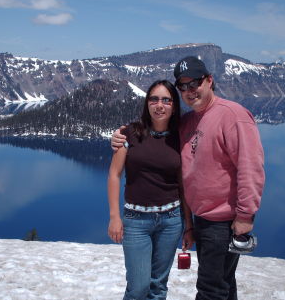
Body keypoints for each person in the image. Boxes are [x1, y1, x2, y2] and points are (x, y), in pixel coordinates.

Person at [111, 56, 265, 300]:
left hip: (223, 221)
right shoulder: (187, 122)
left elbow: (251, 167)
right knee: (223, 284)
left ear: (210, 81)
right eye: (183, 86)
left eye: (194, 83)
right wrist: (119, 136)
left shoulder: (232, 115)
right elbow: (155, 135)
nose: (189, 91)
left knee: (210, 289)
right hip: (201, 218)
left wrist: (245, 215)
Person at [108, 79, 194, 300]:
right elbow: (114, 175)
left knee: (158, 287)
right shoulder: (129, 133)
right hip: (136, 221)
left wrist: (188, 225)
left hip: (171, 220)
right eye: (154, 99)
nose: (160, 105)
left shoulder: (180, 138)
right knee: (138, 288)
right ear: (147, 103)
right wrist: (115, 217)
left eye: (166, 100)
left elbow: (183, 185)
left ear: (174, 105)